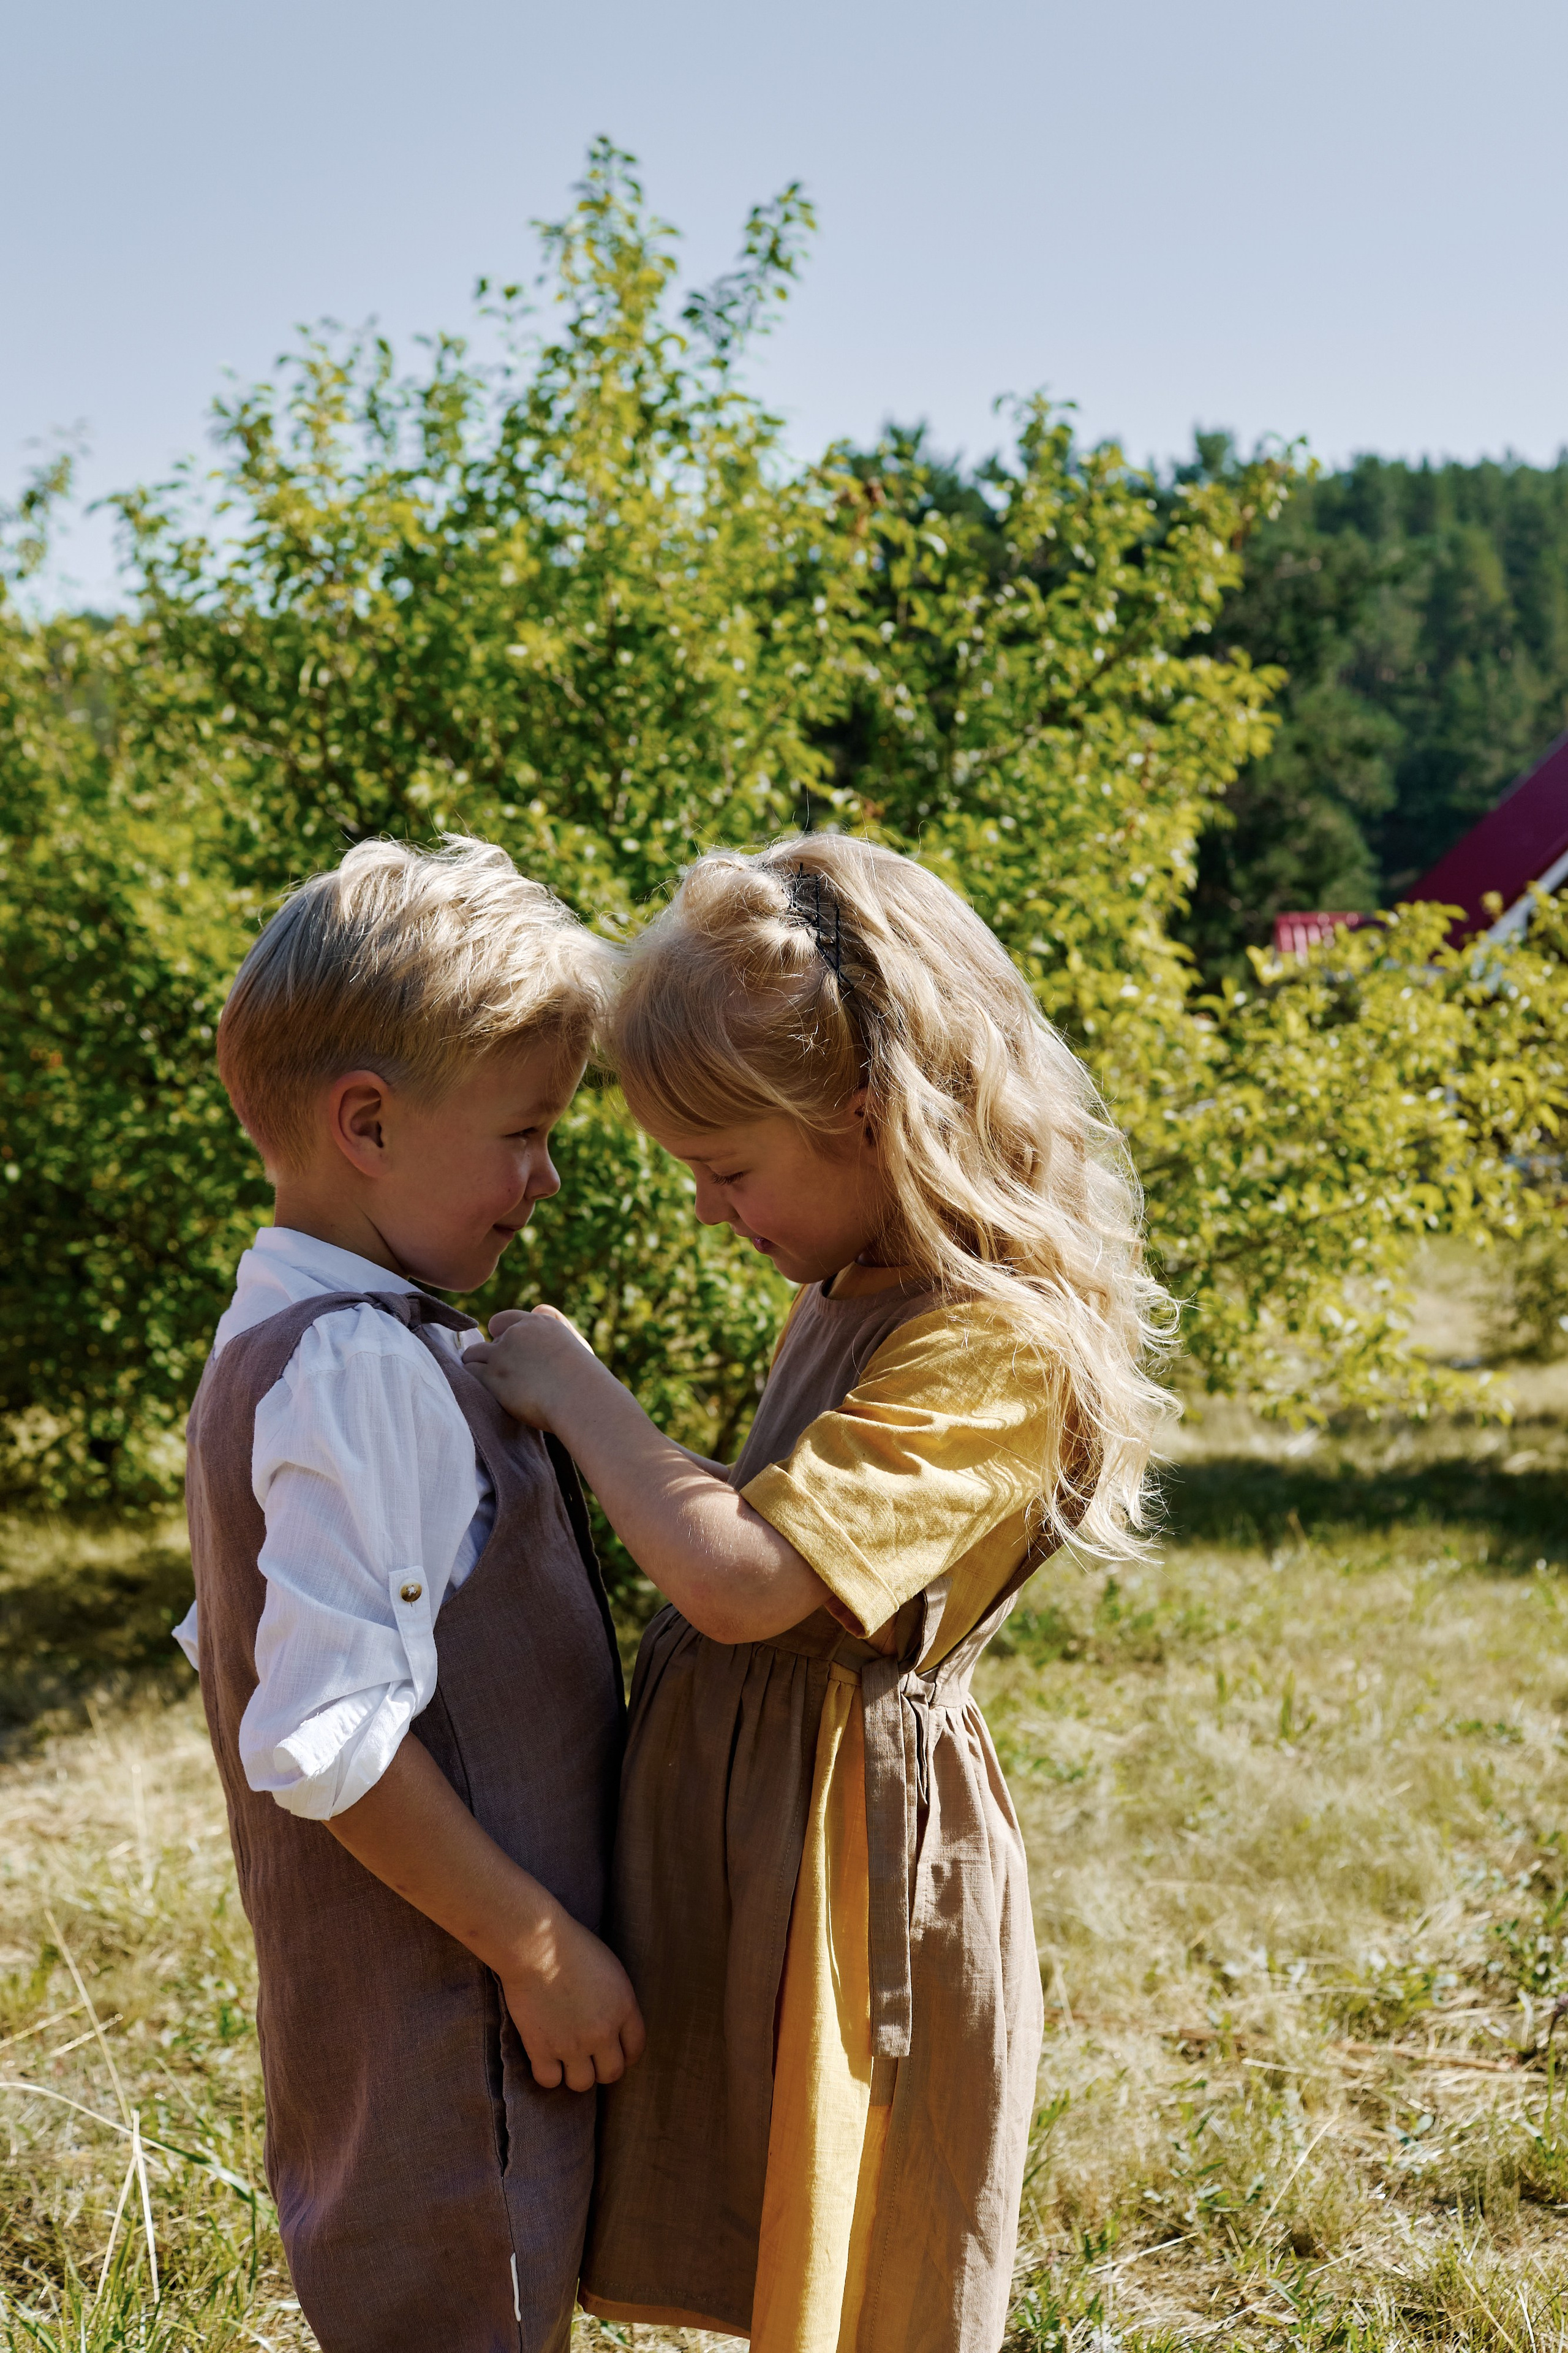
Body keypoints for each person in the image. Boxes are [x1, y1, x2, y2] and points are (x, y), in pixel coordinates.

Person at [466, 834, 1176, 2353]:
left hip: (857, 1886)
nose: (712, 1214)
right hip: (757, 1858)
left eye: (727, 1170)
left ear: (871, 1119)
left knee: (861, 2278)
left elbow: (748, 1580)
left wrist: (581, 1389)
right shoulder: (846, 1284)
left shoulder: (992, 1341)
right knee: (755, 2235)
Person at [176, 836, 642, 2353]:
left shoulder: (286, 1332)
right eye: (524, 1130)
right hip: (456, 2039)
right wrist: (538, 1947)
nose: (545, 1175)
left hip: (419, 2038)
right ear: (364, 1123)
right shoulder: (357, 1364)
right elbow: (329, 1735)